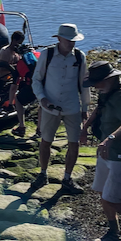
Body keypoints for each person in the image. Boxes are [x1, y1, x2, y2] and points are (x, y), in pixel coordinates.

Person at [81, 60, 121, 241]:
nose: (94, 86)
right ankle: (113, 232)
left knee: (113, 198)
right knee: (103, 193)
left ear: (108, 79)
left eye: (96, 82)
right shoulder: (106, 92)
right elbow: (99, 109)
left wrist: (110, 139)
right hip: (106, 151)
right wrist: (84, 128)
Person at [31, 23, 88, 194]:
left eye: (74, 40)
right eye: (69, 40)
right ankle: (42, 174)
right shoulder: (47, 55)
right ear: (59, 39)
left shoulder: (79, 57)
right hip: (50, 106)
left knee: (74, 143)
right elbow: (36, 80)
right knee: (46, 141)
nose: (72, 43)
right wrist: (42, 99)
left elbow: (84, 84)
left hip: (72, 106)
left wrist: (85, 107)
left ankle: (67, 178)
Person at [0, 30, 26, 135]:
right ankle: (10, 105)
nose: (19, 45)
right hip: (0, 79)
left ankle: (15, 103)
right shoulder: (5, 51)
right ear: (14, 40)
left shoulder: (18, 52)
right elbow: (4, 67)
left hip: (11, 78)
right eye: (19, 42)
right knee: (13, 86)